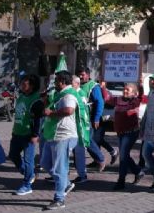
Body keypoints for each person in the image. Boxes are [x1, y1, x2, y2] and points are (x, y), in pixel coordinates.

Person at [41, 71, 90, 210]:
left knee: (59, 168)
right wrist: (45, 100)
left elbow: (69, 110)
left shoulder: (69, 94)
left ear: (62, 81)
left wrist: (51, 113)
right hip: (53, 134)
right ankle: (66, 184)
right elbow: (50, 107)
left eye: (56, 80)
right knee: (45, 163)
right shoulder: (59, 94)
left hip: (63, 135)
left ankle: (59, 198)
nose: (54, 83)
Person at [8, 74, 44, 196]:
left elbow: (38, 120)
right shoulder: (21, 96)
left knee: (28, 161)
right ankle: (29, 174)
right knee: (13, 155)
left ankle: (27, 185)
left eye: (24, 84)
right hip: (17, 133)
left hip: (28, 135)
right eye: (21, 83)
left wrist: (35, 134)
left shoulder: (36, 100)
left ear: (32, 86)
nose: (21, 86)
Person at [76, 68, 115, 171]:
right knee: (86, 140)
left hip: (89, 118)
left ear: (88, 75)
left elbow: (100, 102)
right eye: (79, 75)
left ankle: (101, 159)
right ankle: (96, 161)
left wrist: (96, 118)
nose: (81, 77)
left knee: (87, 140)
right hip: (79, 118)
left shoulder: (93, 86)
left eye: (83, 74)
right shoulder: (77, 85)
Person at [111, 83, 142, 191]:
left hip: (131, 133)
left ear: (133, 93)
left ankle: (121, 181)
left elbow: (141, 97)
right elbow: (107, 98)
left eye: (127, 90)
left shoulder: (134, 101)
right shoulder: (118, 99)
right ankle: (138, 172)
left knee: (123, 156)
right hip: (120, 132)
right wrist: (102, 86)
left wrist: (141, 85)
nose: (125, 91)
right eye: (124, 89)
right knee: (125, 156)